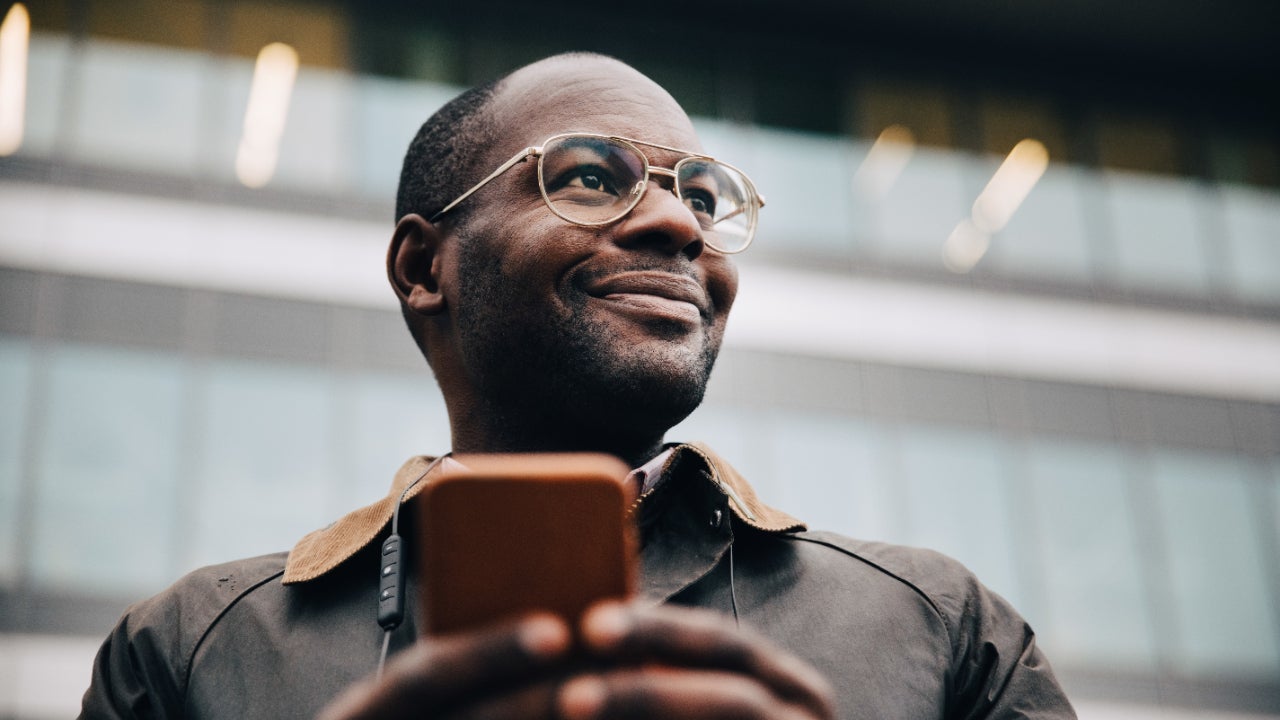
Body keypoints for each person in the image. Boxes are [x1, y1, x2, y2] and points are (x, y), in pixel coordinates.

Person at [79, 53, 1075, 720]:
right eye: (591, 178)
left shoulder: (942, 627)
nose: (680, 226)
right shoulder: (187, 651)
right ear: (425, 268)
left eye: (700, 196)